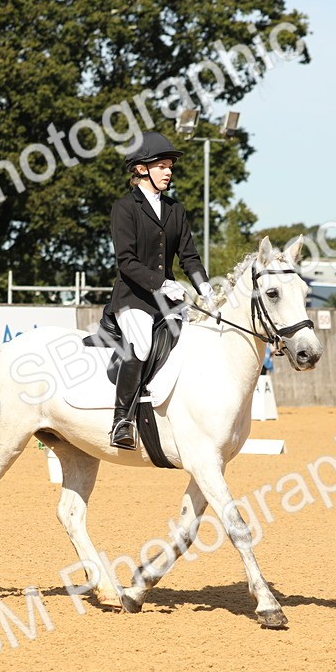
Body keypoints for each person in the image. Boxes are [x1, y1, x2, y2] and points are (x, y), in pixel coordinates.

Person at [106, 131, 214, 450]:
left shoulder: (175, 209)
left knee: (197, 341)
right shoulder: (125, 209)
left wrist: (206, 289)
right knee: (140, 344)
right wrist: (163, 283)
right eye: (162, 165)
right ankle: (121, 421)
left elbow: (189, 256)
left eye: (170, 166)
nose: (169, 171)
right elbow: (126, 261)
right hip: (133, 300)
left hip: (167, 303)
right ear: (141, 169)